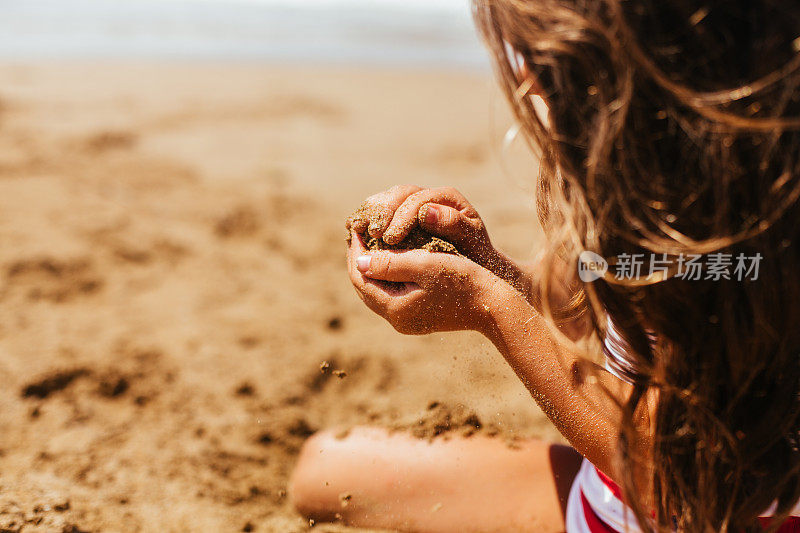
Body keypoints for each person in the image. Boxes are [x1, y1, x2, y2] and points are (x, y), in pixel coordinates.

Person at [291, 1, 800, 531]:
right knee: (322, 469)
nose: (525, 79)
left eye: (546, 54)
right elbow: (591, 306)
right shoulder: (634, 170)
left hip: (709, 514)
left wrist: (492, 307)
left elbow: (672, 475)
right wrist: (487, 264)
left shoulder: (750, 238)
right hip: (605, 495)